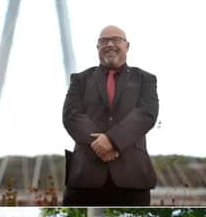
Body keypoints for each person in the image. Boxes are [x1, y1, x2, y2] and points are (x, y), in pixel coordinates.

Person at [63, 26, 159, 206]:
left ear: (127, 45)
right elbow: (71, 115)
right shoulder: (80, 79)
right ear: (97, 47)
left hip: (132, 177)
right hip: (84, 176)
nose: (109, 44)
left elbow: (146, 114)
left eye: (116, 39)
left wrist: (112, 140)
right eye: (103, 41)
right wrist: (100, 144)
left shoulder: (145, 79)